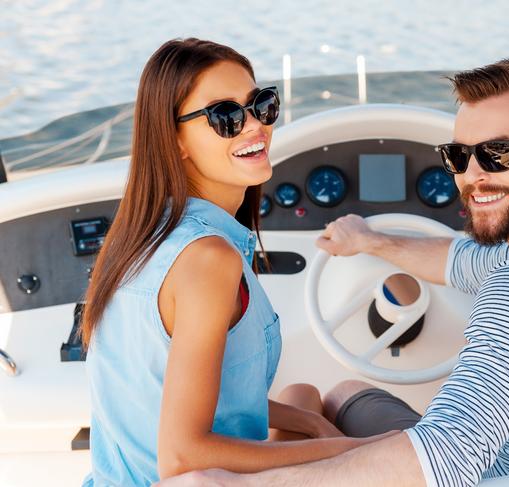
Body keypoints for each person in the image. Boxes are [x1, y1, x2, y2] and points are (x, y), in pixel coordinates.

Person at [155, 58, 509, 486]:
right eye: (459, 156)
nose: (473, 176)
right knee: (344, 392)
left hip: (492, 475)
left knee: (304, 401)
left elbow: (442, 461)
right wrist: (370, 242)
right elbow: (460, 261)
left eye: (497, 154)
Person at [80, 38, 390, 487]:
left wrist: (315, 428)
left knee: (304, 399)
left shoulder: (139, 234)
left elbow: (169, 393)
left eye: (260, 105)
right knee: (381, 432)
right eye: (225, 116)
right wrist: (355, 450)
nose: (254, 127)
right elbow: (183, 459)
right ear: (176, 140)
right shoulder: (208, 258)